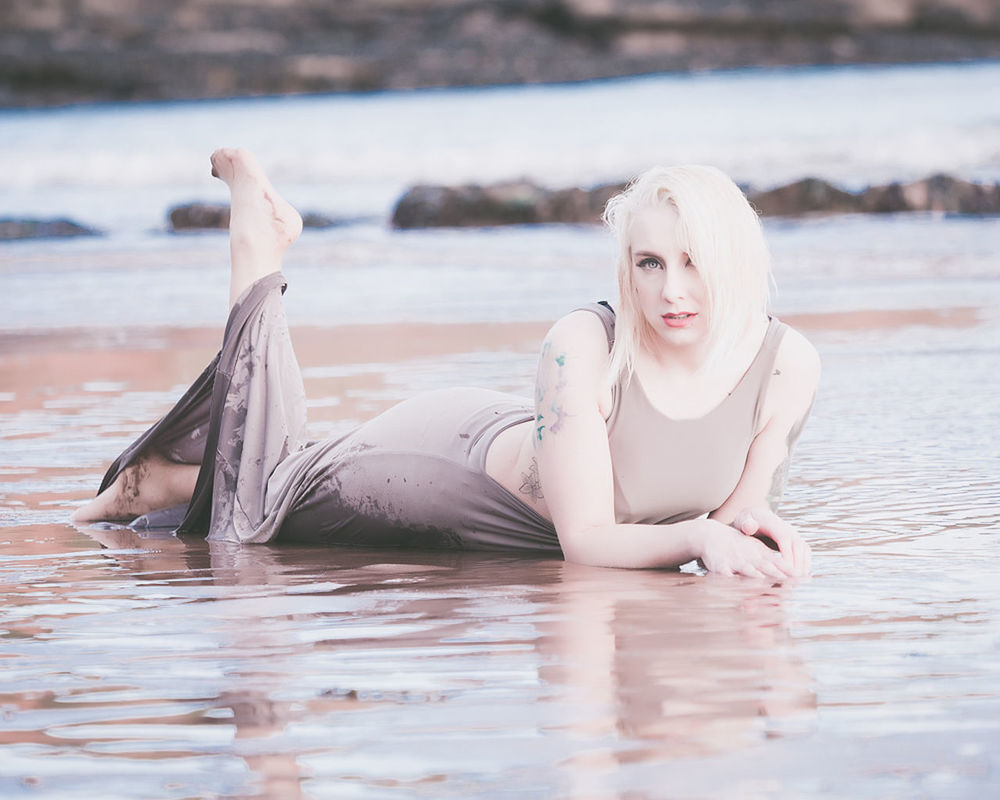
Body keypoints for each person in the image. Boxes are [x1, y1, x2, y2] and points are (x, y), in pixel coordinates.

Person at [72, 148, 820, 578]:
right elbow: (587, 541)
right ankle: (256, 247)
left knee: (265, 486)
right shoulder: (584, 343)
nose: (672, 291)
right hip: (437, 473)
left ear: (735, 259)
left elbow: (733, 521)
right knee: (264, 504)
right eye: (649, 264)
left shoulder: (786, 366)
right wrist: (696, 540)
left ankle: (152, 483)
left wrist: (760, 541)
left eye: (694, 262)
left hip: (520, 467)